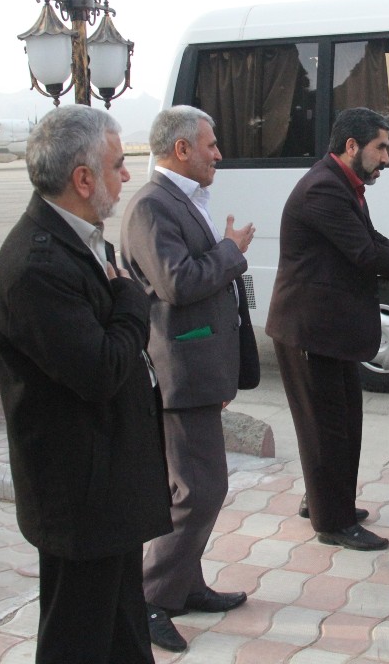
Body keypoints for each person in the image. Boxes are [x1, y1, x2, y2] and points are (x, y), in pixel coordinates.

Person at [0, 105, 172, 664]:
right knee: (77, 638)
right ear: (83, 178)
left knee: (123, 631)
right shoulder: (37, 265)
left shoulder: (85, 239)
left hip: (109, 484)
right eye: (118, 165)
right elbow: (102, 369)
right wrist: (133, 303)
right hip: (81, 497)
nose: (127, 175)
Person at [266, 107, 389, 552]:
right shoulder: (323, 188)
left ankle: (324, 500)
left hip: (330, 329)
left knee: (340, 424)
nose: (387, 159)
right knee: (326, 429)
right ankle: (332, 523)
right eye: (381, 148)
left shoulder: (343, 183)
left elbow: (372, 240)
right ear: (351, 145)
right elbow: (366, 254)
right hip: (309, 330)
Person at [120, 106, 255, 653]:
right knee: (198, 490)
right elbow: (177, 283)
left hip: (201, 367)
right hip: (180, 370)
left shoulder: (181, 200)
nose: (218, 154)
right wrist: (231, 251)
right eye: (210, 145)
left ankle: (185, 583)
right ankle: (152, 597)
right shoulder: (151, 206)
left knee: (199, 486)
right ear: (181, 149)